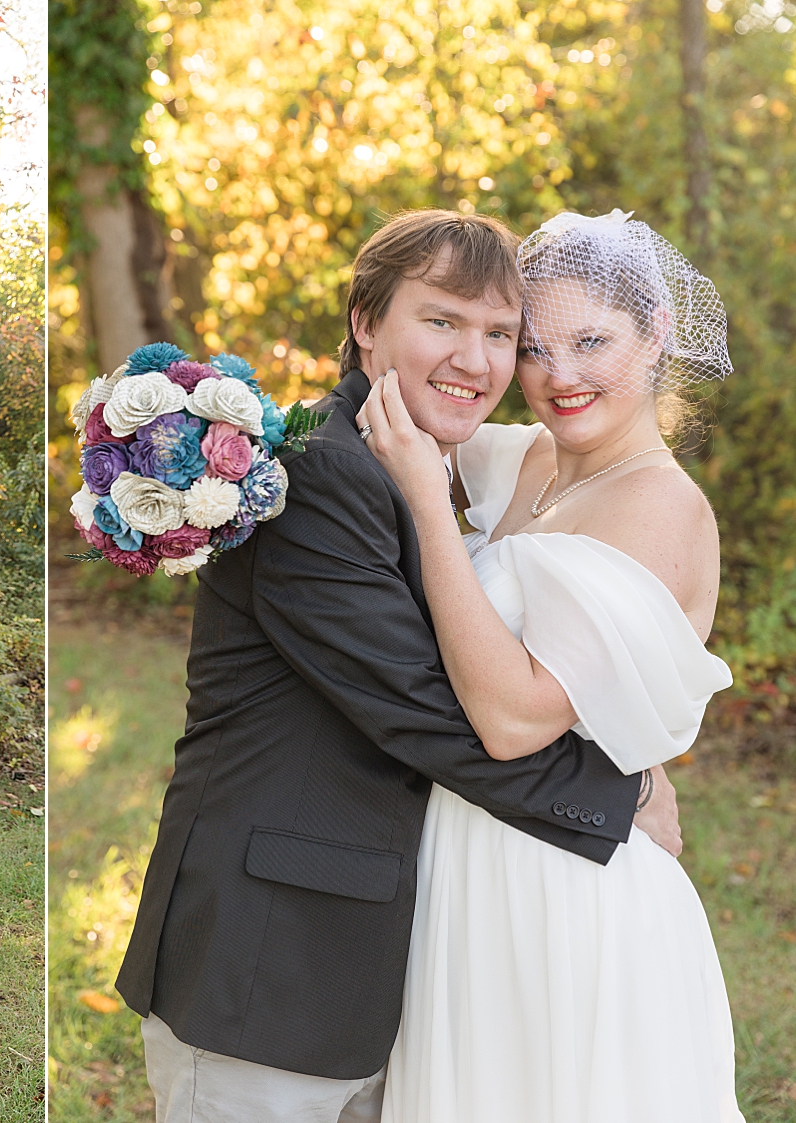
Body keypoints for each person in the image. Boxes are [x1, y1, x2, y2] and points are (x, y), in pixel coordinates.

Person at [113, 209, 682, 1123]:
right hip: (267, 968)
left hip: (371, 972)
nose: (477, 358)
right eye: (443, 320)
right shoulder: (317, 474)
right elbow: (423, 709)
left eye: (502, 334)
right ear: (367, 322)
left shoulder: (419, 462)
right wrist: (624, 791)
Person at [360, 210, 740, 1122]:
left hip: (565, 894)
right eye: (532, 345)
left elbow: (517, 716)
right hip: (470, 867)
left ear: (655, 338)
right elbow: (417, 398)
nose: (559, 375)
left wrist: (422, 496)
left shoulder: (660, 506)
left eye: (593, 341)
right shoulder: (528, 463)